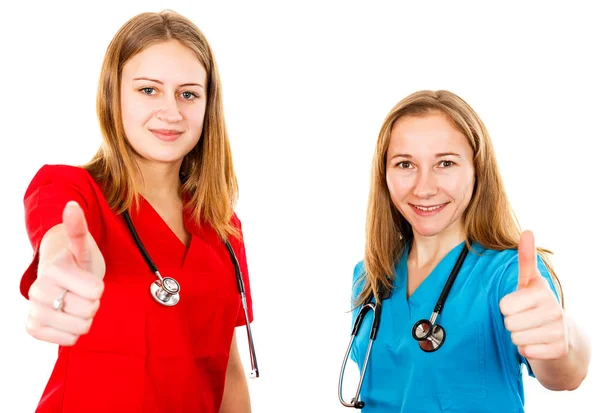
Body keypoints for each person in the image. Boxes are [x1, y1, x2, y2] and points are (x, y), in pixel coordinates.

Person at [20, 10, 255, 413]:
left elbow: (228, 369)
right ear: (114, 96)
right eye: (148, 90)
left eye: (188, 93)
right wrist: (64, 266)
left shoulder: (223, 227)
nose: (172, 112)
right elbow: (60, 235)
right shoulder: (75, 189)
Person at [339, 90, 591, 412]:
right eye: (405, 164)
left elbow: (564, 374)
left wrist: (564, 341)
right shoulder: (370, 274)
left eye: (445, 163)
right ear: (384, 175)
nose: (424, 187)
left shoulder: (508, 273)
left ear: (477, 169)